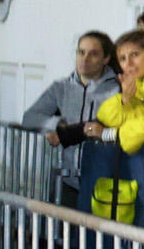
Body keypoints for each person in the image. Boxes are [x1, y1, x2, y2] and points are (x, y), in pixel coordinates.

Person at [21, 32, 120, 207]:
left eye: (93, 54)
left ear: (106, 59)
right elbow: (29, 118)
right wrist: (57, 124)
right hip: (66, 181)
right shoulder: (61, 87)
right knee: (60, 230)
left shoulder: (116, 89)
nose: (85, 59)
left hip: (102, 181)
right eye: (81, 52)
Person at [96, 30, 144, 154]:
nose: (128, 63)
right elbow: (105, 116)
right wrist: (125, 100)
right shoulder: (138, 85)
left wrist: (113, 134)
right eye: (122, 58)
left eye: (135, 55)